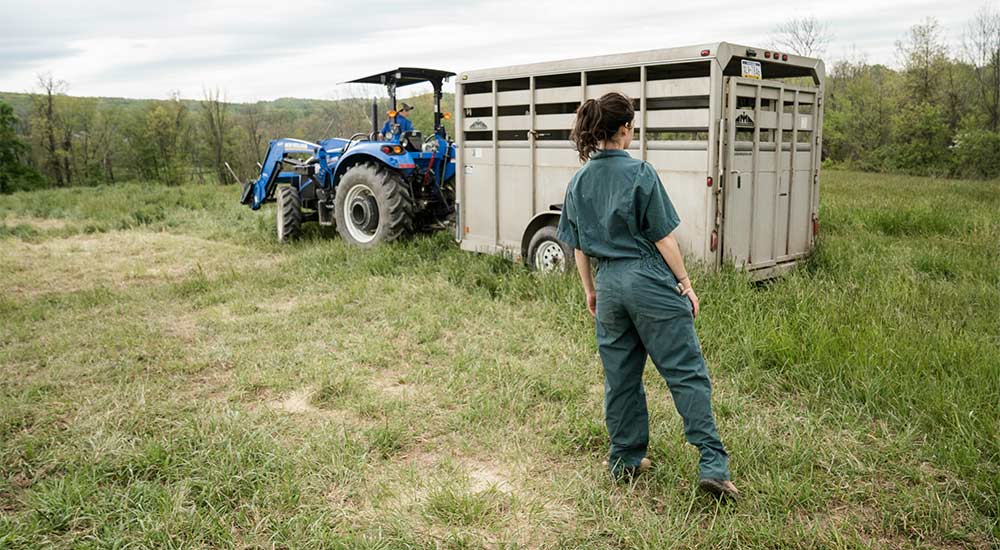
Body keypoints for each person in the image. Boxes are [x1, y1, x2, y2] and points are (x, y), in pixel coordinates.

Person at [556, 92, 739, 499]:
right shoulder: (641, 172)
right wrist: (686, 284)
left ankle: (625, 458)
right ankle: (712, 464)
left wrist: (591, 291)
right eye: (632, 125)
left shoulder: (578, 180)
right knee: (684, 371)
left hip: (608, 286)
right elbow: (663, 238)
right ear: (624, 129)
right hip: (648, 279)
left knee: (620, 377)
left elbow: (579, 246)